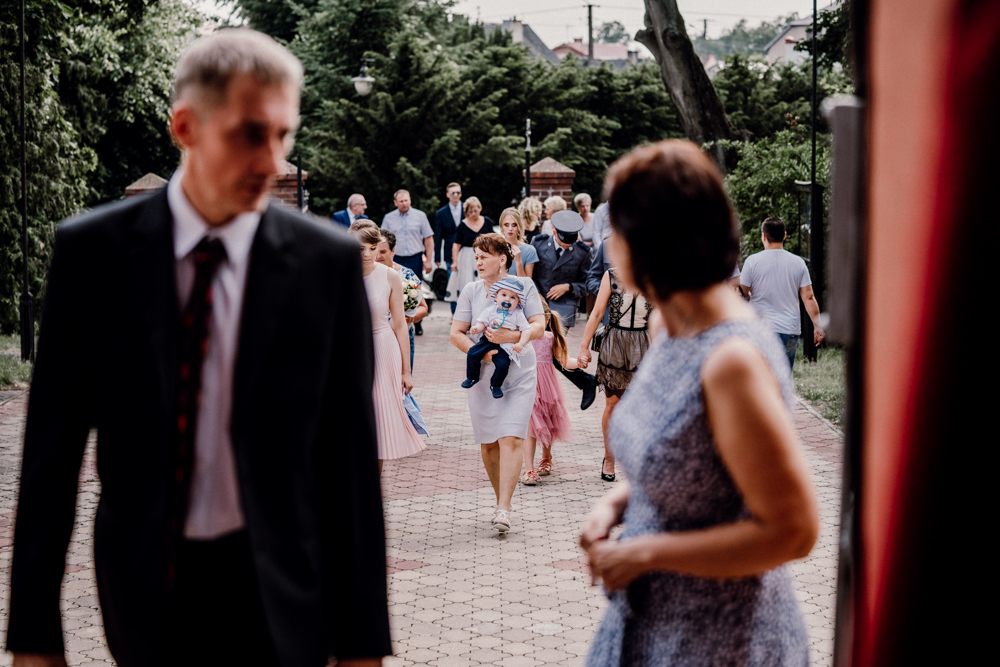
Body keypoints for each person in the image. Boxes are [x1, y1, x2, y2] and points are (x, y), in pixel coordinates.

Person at [6, 29, 390, 667]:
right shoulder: (94, 255)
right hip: (145, 587)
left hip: (288, 585)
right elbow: (50, 456)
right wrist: (34, 640)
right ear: (185, 126)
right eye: (249, 134)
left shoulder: (326, 265)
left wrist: (363, 647)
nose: (273, 162)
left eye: (283, 136)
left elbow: (348, 467)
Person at [579, 140, 818, 667]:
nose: (607, 246)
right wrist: (614, 506)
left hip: (722, 637)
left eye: (614, 232)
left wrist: (644, 552)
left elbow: (793, 529)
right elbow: (680, 463)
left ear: (648, 244)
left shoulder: (730, 360)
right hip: (646, 621)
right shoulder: (669, 323)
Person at [449, 234, 546, 533]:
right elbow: (457, 332)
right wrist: (486, 354)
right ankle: (499, 500)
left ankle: (504, 507)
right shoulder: (471, 290)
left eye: (483, 257)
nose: (477, 262)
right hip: (483, 376)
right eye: (476, 257)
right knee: (489, 443)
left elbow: (539, 326)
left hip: (519, 373)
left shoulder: (524, 285)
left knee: (512, 437)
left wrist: (513, 338)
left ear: (502, 259)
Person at [353, 224, 426, 475]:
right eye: (362, 248)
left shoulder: (390, 276)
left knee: (379, 422)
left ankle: (373, 487)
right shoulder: (339, 272)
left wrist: (406, 371)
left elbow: (399, 325)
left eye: (373, 249)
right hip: (352, 350)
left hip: (383, 350)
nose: (367, 254)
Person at [578, 268, 653, 482]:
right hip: (616, 345)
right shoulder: (612, 275)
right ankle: (609, 458)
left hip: (646, 343)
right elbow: (597, 312)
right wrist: (583, 347)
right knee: (613, 404)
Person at [739, 216, 825, 371]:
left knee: (762, 378)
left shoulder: (752, 261)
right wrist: (817, 326)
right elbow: (809, 297)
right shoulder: (798, 262)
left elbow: (741, 295)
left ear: (763, 236)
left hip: (761, 329)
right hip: (789, 331)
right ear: (784, 236)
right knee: (782, 379)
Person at [521, 302, 575, 486]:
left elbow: (564, 360)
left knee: (547, 422)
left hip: (547, 386)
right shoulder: (521, 337)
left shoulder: (550, 338)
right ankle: (529, 469)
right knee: (530, 426)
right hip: (527, 386)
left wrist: (580, 363)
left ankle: (546, 457)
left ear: (545, 320)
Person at [462, 277, 532, 399]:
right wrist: (477, 328)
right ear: (496, 296)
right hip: (488, 339)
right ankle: (472, 377)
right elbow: (482, 323)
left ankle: (496, 385)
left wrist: (521, 343)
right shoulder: (490, 310)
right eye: (504, 295)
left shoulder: (517, 314)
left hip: (505, 345)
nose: (507, 299)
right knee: (473, 353)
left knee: (503, 364)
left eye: (513, 297)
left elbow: (526, 329)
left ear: (518, 302)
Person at [375, 228, 428, 370]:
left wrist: (410, 317)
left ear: (393, 251)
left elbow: (423, 307)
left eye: (383, 252)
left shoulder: (407, 275)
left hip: (402, 336)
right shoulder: (365, 275)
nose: (378, 256)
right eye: (375, 250)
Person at [381, 189, 433, 335]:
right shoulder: (388, 218)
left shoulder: (420, 216)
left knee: (415, 291)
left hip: (415, 258)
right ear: (395, 202)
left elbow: (428, 238)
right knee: (395, 290)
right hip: (395, 258)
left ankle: (417, 322)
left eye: (407, 200)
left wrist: (428, 260)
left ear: (410, 200)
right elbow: (382, 239)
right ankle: (394, 320)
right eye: (401, 201)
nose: (404, 203)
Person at [531, 209, 593, 328]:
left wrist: (568, 287)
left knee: (557, 344)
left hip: (565, 306)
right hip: (538, 302)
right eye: (564, 241)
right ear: (554, 233)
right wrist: (537, 294)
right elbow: (530, 276)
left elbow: (588, 284)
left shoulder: (583, 252)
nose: (568, 244)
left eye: (572, 241)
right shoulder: (538, 244)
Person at [444, 196, 493, 307]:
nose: (473, 213)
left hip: (485, 255)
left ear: (480, 208)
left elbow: (493, 238)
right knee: (468, 284)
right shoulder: (462, 225)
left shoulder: (487, 222)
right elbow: (456, 245)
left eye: (475, 210)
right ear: (466, 212)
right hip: (467, 258)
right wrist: (455, 262)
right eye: (470, 211)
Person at [435, 182, 462, 314]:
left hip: (466, 251)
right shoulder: (441, 213)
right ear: (448, 195)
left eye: (458, 192)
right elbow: (438, 236)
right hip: (449, 253)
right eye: (453, 193)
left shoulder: (468, 209)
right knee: (453, 282)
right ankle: (454, 313)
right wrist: (437, 257)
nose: (456, 195)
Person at [499, 207, 539, 278]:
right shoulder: (495, 248)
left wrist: (518, 262)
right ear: (501, 226)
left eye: (514, 225)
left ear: (519, 227)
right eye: (506, 225)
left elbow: (526, 284)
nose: (510, 229)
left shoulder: (529, 250)